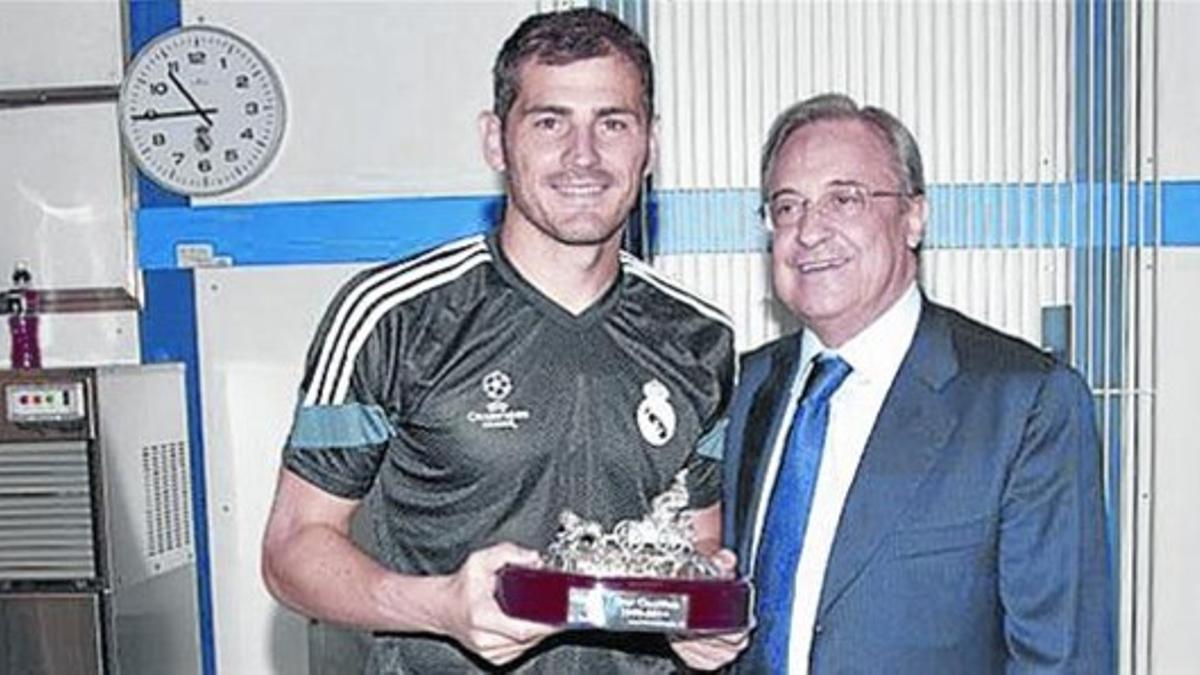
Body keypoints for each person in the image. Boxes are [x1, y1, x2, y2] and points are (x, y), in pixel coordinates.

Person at [260, 8, 738, 673]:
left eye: (613, 123)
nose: (584, 156)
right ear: (496, 140)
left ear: (650, 144)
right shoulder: (392, 315)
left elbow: (697, 532)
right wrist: (439, 605)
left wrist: (699, 613)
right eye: (550, 122)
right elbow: (292, 549)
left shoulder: (702, 337)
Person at [720, 93, 1112, 673]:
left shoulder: (1024, 402)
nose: (808, 231)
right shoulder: (753, 384)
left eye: (843, 199)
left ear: (913, 217)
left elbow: (1063, 657)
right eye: (786, 207)